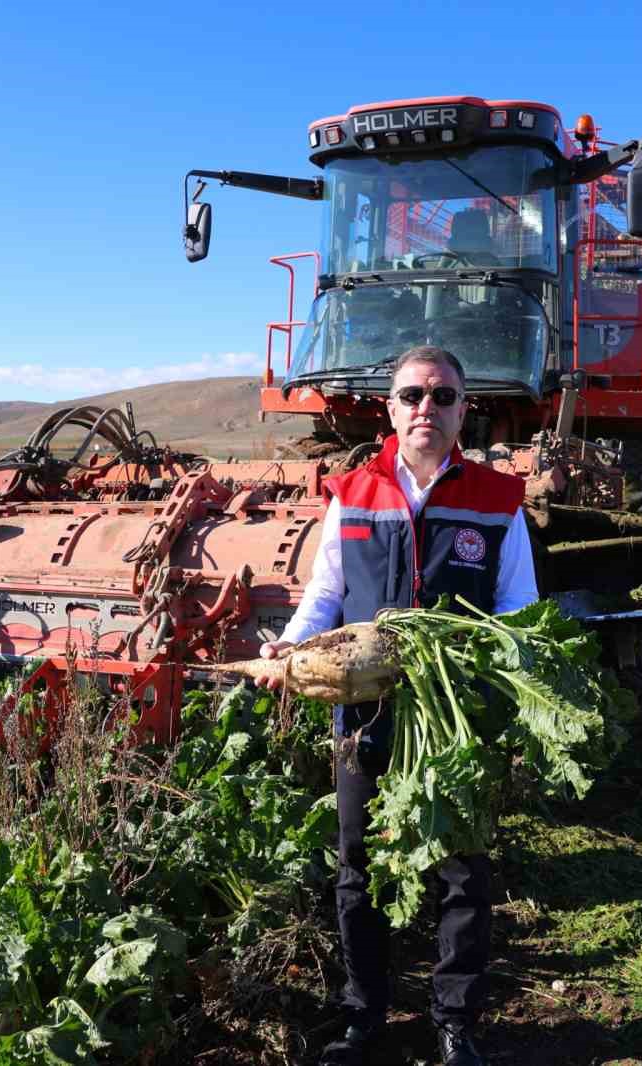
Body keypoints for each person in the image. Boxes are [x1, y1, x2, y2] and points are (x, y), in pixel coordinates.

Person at [259, 345, 536, 1066]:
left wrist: (491, 679)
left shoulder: (498, 500)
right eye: (412, 394)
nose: (426, 408)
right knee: (358, 867)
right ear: (389, 408)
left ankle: (455, 1022)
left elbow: (518, 609)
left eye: (443, 397)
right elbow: (325, 593)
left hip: (451, 718)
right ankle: (365, 1016)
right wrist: (291, 648)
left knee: (463, 869)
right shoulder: (352, 492)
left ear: (462, 411)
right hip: (366, 717)